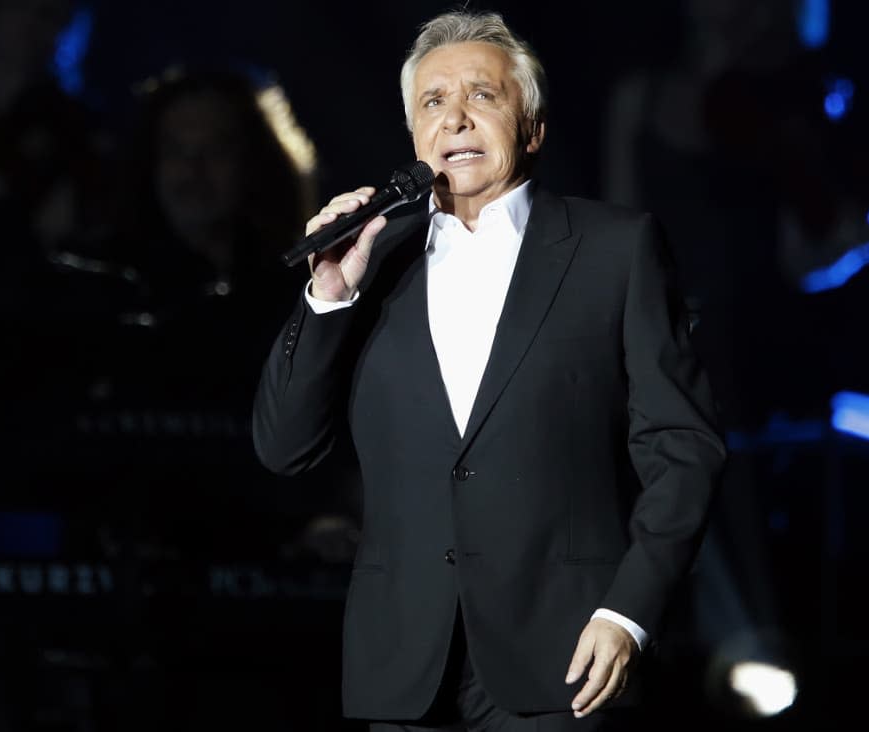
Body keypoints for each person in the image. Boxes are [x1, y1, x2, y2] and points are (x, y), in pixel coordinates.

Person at [253, 10, 725, 731]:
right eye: (434, 103)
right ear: (414, 136)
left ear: (531, 128)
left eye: (483, 95)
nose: (457, 119)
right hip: (406, 667)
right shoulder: (373, 265)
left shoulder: (613, 251)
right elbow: (284, 448)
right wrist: (327, 296)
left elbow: (683, 449)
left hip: (566, 660)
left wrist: (629, 610)